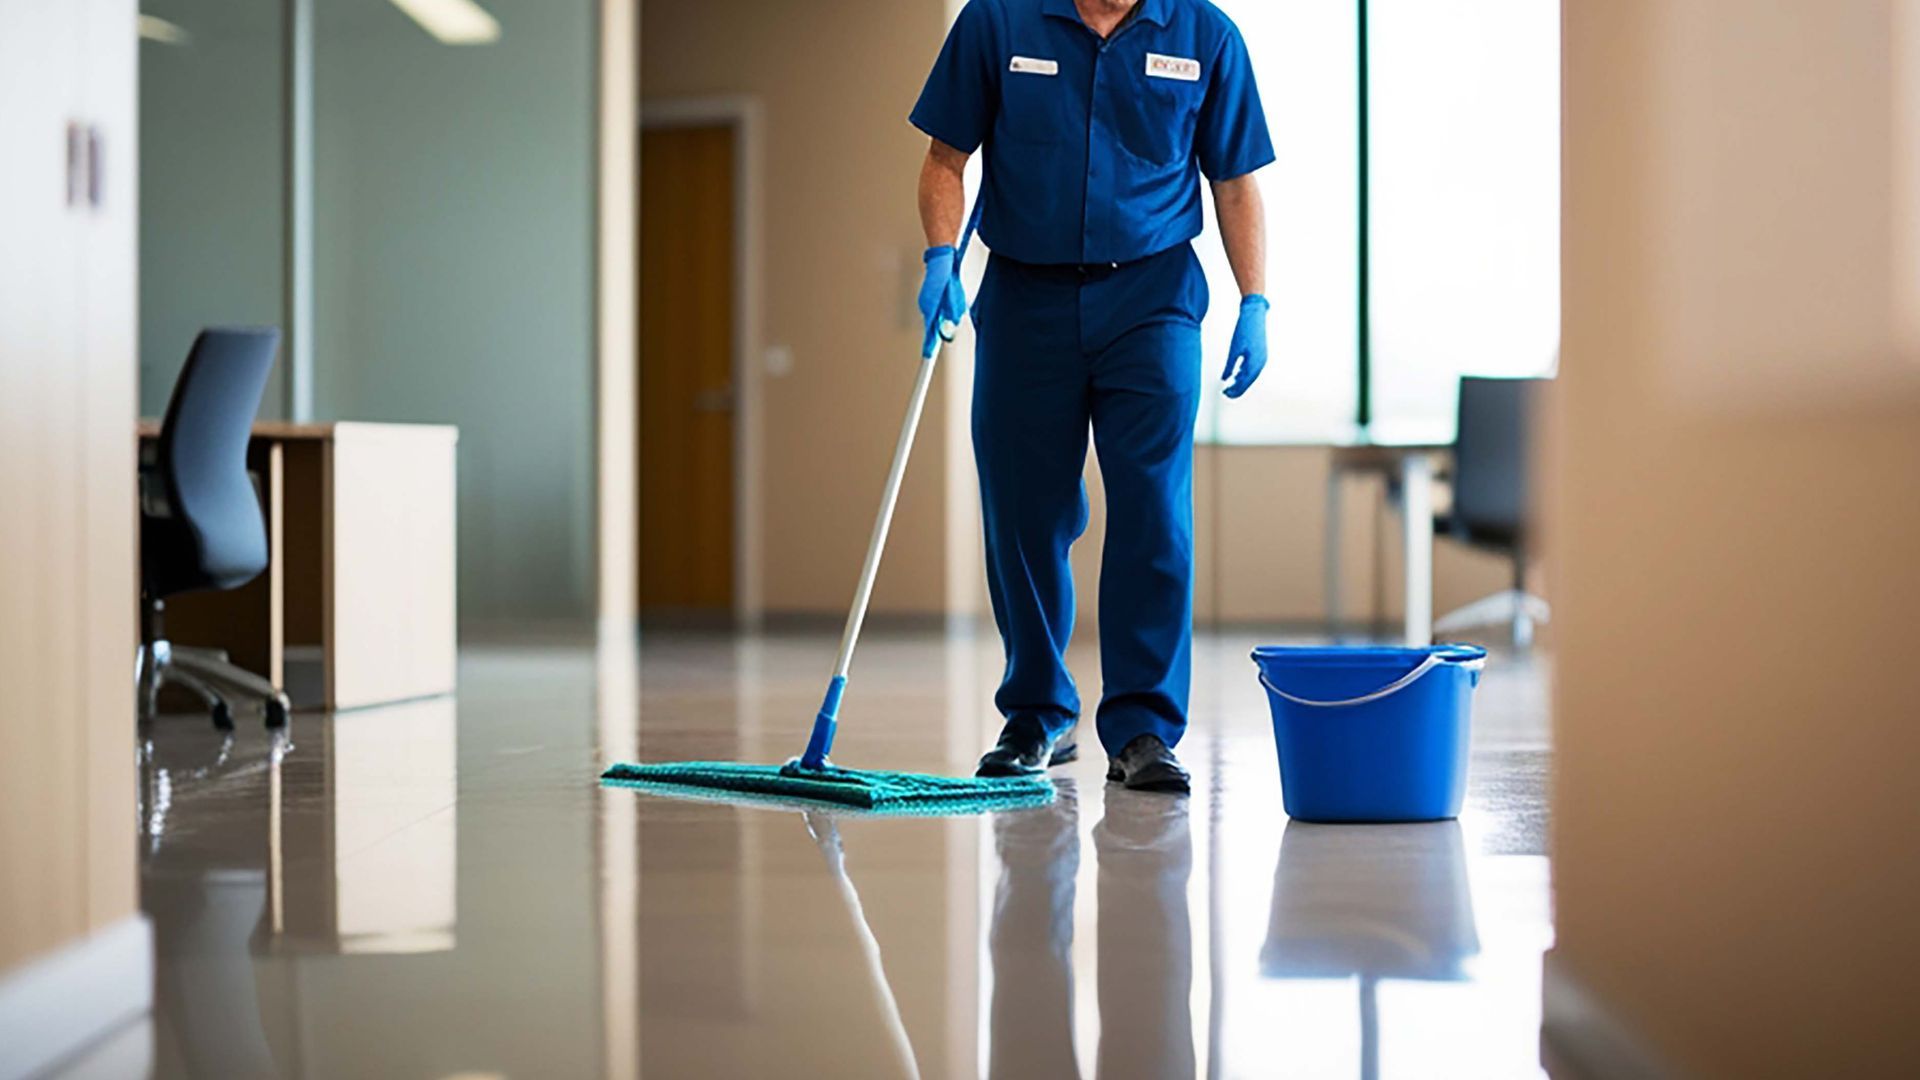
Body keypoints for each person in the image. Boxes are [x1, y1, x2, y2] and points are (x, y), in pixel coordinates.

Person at [911, 0, 1273, 793]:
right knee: (1023, 509)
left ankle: (1142, 727)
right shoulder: (998, 23)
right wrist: (941, 256)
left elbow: (1234, 183)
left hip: (1153, 300)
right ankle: (1037, 715)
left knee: (1153, 509)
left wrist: (1255, 300)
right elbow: (946, 159)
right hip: (1025, 297)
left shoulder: (1206, 36)